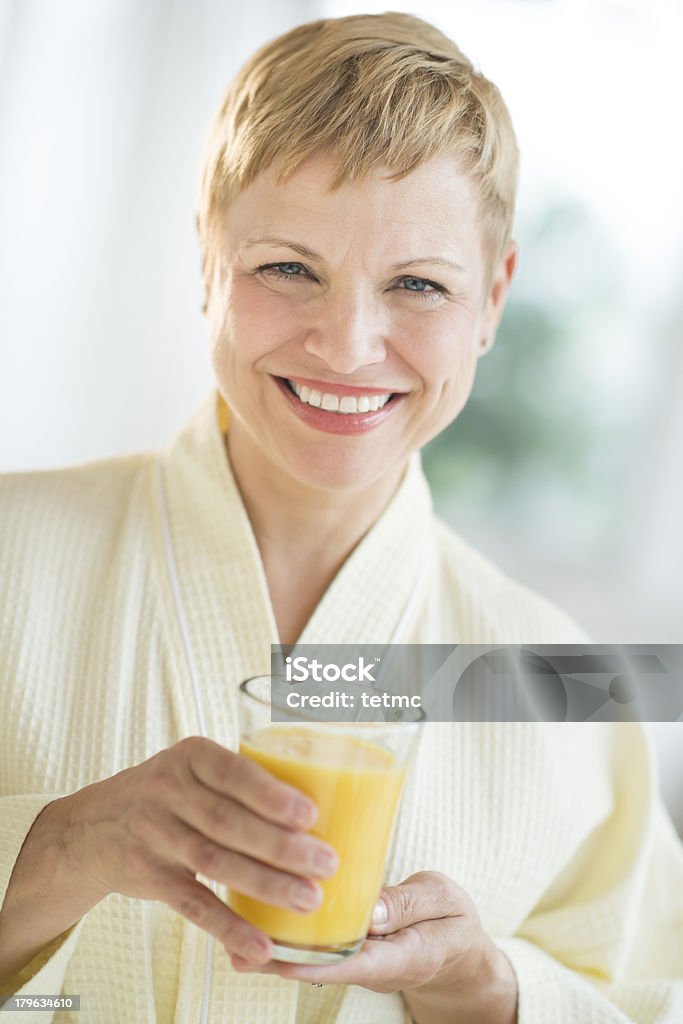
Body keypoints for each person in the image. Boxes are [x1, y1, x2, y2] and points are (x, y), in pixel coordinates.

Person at [0, 11, 681, 1024]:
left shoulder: (567, 683)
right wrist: (56, 850)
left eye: (417, 284)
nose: (347, 345)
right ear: (205, 255)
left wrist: (488, 989)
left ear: (492, 298)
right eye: (287, 267)